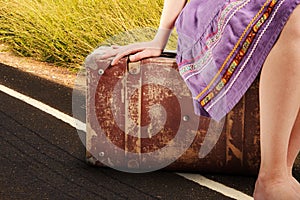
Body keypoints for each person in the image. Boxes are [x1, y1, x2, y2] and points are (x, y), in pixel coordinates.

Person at [101, 0, 300, 199]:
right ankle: (271, 178)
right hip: (216, 8)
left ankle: (284, 170)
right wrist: (160, 37)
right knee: (295, 17)